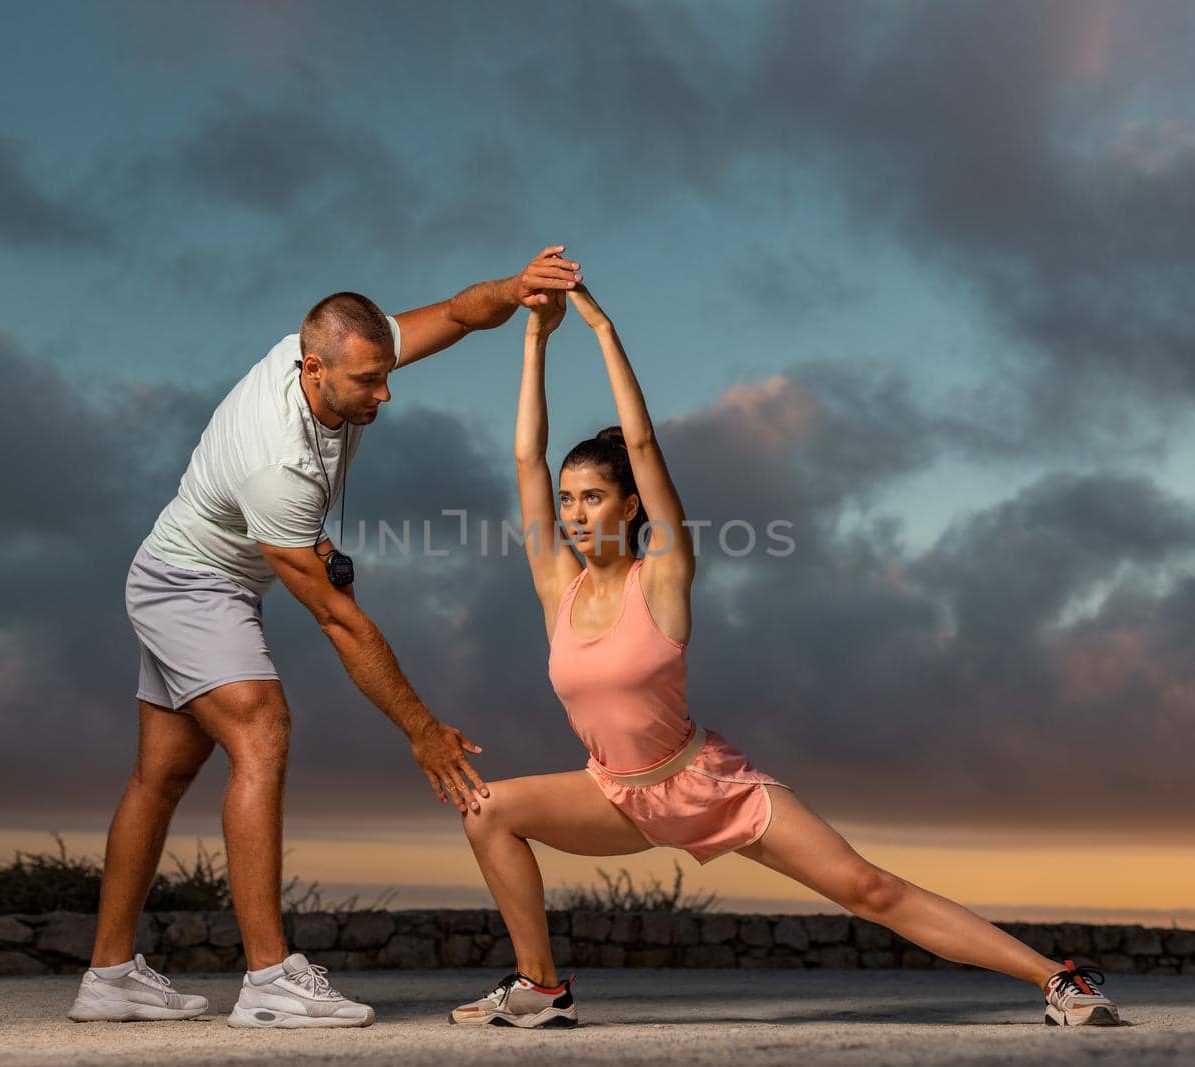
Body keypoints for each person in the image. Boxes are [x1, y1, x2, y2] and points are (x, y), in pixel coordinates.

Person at [449, 272, 1120, 1030]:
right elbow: (525, 463)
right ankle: (540, 986)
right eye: (569, 501)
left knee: (868, 888)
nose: (573, 513)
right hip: (616, 794)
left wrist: (601, 331)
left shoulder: (663, 576)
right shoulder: (556, 586)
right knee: (486, 810)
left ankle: (1058, 979)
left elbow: (640, 441)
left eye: (592, 497)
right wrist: (535, 337)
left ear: (630, 506)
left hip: (709, 784)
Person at [67, 247, 586, 1028]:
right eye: (365, 382)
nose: (384, 393)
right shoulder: (278, 462)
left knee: (162, 773)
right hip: (190, 583)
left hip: (189, 574)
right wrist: (421, 729)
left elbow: (454, 311)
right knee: (262, 729)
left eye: (386, 375)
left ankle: (108, 977)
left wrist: (515, 290)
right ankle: (270, 979)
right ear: (313, 368)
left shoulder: (346, 352)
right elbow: (339, 616)